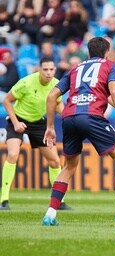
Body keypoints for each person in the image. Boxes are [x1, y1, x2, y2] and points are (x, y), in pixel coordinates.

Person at [41, 37, 115, 226]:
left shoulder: (75, 68)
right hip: (92, 116)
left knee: (69, 166)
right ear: (107, 53)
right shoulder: (109, 65)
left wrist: (50, 127)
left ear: (88, 53)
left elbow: (52, 95)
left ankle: (50, 214)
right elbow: (114, 91)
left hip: (69, 117)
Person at [0, 57, 71, 211]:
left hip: (39, 122)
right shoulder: (26, 82)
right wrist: (16, 122)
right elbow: (7, 100)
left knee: (55, 161)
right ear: (39, 69)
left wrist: (68, 118)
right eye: (45, 69)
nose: (49, 73)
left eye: (51, 69)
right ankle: (3, 200)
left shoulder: (56, 85)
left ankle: (59, 201)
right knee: (12, 155)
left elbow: (58, 103)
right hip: (18, 120)